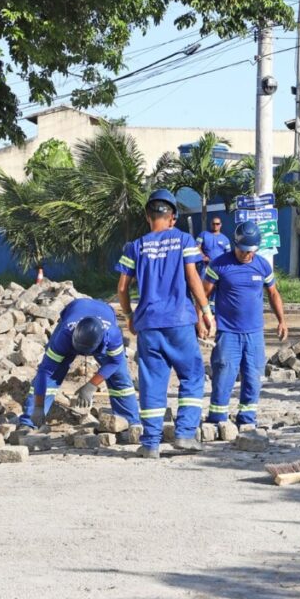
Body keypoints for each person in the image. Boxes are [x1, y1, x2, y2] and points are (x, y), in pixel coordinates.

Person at [116, 189, 216, 459]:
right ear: (172, 218)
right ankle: (184, 434)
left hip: (148, 324)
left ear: (148, 217)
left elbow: (122, 287)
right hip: (179, 322)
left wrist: (128, 317)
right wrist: (206, 311)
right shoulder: (184, 240)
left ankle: (150, 443)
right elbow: (193, 277)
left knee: (152, 383)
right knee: (192, 375)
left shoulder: (134, 247)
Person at [203, 221, 288, 428]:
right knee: (224, 374)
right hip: (228, 332)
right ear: (235, 245)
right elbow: (203, 294)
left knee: (253, 374)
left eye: (251, 251)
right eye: (242, 251)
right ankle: (217, 420)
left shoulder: (262, 265)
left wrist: (282, 321)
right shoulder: (219, 264)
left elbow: (273, 293)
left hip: (254, 333)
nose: (246, 255)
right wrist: (202, 319)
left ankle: (247, 419)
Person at [18, 299, 140, 432]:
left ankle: (128, 423)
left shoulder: (112, 335)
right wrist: (38, 407)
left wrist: (91, 385)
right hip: (76, 309)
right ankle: (29, 422)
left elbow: (115, 362)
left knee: (119, 376)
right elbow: (45, 371)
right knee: (53, 373)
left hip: (104, 312)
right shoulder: (64, 335)